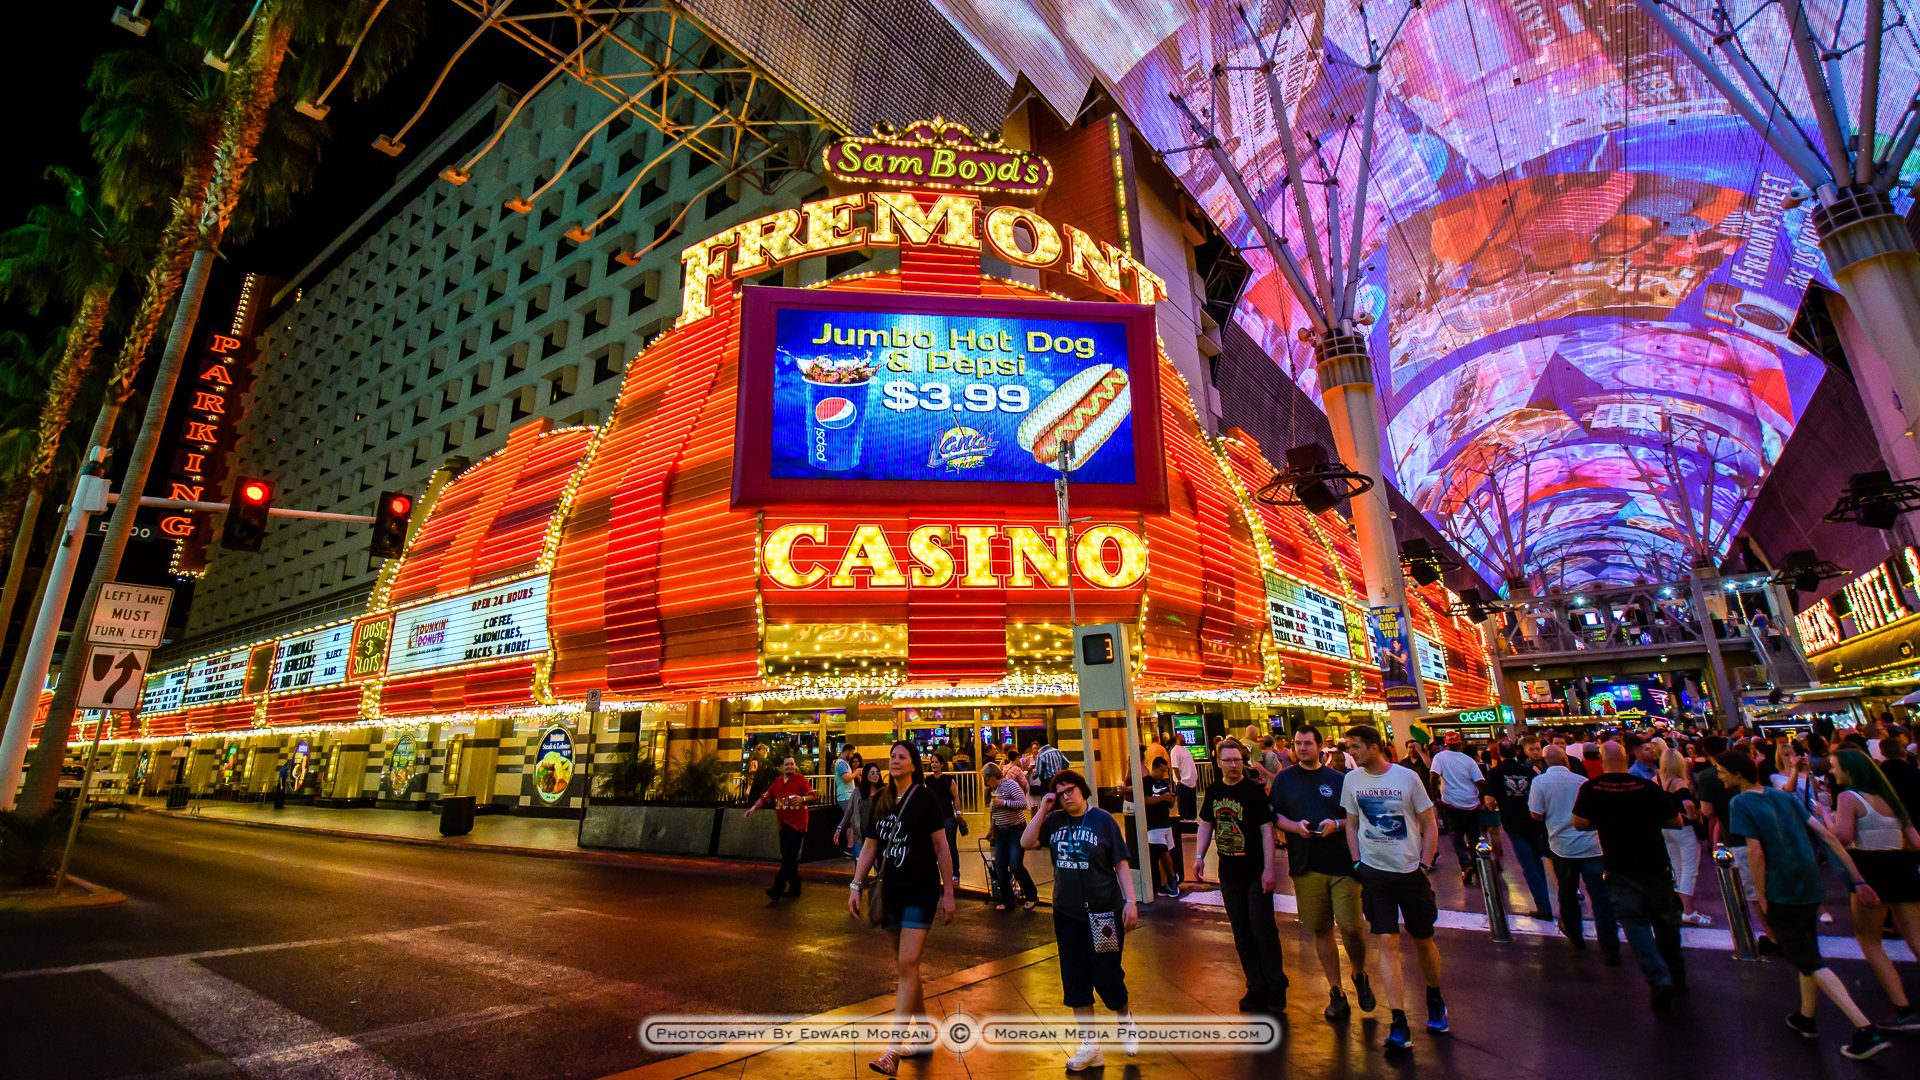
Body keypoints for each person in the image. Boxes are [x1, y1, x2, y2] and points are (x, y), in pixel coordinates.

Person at [1716, 749, 1891, 1060]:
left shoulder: (1739, 803)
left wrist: (1762, 895)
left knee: (1809, 960)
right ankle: (1805, 1017)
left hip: (1781, 886)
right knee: (1806, 950)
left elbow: (1755, 853)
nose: (1719, 776)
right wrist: (1858, 879)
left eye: (1722, 771)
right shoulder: (1783, 797)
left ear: (1737, 774)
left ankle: (1865, 1028)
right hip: (1809, 882)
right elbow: (1827, 835)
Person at [848, 741, 957, 1077]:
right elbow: (870, 845)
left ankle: (892, 1050)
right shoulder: (880, 800)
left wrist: (949, 893)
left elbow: (941, 847)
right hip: (891, 891)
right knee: (907, 966)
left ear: (913, 765)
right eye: (892, 757)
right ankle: (924, 1036)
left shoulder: (924, 799)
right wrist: (855, 884)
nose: (895, 762)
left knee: (908, 963)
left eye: (902, 757)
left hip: (920, 890)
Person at [1025, 768, 1139, 1070]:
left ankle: (1125, 1018)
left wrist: (1130, 901)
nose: (1066, 797)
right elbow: (1026, 842)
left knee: (1107, 976)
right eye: (1060, 793)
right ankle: (1091, 1045)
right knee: (1074, 979)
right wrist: (1042, 809)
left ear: (1082, 789)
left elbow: (1121, 863)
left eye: (1070, 790)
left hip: (1103, 913)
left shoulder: (1103, 821)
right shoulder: (1055, 821)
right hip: (1067, 913)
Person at [1340, 724, 1445, 1053]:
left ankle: (1435, 997)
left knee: (1424, 941)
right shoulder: (1351, 780)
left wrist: (1425, 864)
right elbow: (1352, 822)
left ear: (1374, 747)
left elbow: (1429, 822)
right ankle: (1398, 1018)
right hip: (1375, 874)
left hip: (1411, 871)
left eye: (1355, 747)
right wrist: (1358, 861)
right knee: (1386, 942)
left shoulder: (1406, 777)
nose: (1351, 753)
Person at [1570, 742, 1688, 1011]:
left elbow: (1579, 823)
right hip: (1655, 863)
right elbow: (1675, 822)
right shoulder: (1646, 787)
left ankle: (1658, 979)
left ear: (1601, 760)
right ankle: (1678, 977)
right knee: (1666, 923)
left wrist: (1604, 819)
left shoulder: (1592, 788)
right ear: (1625, 758)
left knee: (1635, 924)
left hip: (1618, 866)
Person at [1271, 725, 1374, 1023]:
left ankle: (1359, 973)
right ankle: (1336, 992)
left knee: (1352, 927)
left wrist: (1337, 825)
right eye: (1297, 743)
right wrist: (1295, 828)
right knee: (1321, 929)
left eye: (1307, 743)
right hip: (1305, 865)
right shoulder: (1283, 780)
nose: (1302, 748)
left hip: (1342, 864)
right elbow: (1275, 815)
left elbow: (1354, 818)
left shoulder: (1339, 780)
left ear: (1320, 747)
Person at [1824, 748, 1920, 1029]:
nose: (1831, 772)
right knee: (1916, 936)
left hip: (1870, 869)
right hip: (1901, 868)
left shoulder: (1848, 797)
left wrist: (1824, 817)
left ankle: (1902, 1009)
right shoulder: (1890, 798)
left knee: (1869, 940)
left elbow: (1843, 836)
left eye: (1835, 766)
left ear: (1850, 770)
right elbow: (1915, 841)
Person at [1194, 738, 1288, 1012]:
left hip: (1255, 872)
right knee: (1241, 932)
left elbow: (1267, 830)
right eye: (1228, 760)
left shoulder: (1253, 791)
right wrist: (1199, 857)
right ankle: (1255, 985)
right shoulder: (1213, 790)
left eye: (1237, 760)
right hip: (1229, 872)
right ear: (1219, 763)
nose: (1233, 765)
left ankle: (1276, 985)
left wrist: (1270, 869)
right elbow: (1206, 824)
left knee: (1263, 929)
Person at [1530, 744, 1621, 958]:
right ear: (1566, 761)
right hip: (1590, 845)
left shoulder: (1540, 782)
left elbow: (1536, 814)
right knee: (1600, 895)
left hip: (1562, 847)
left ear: (1545, 762)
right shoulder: (1582, 782)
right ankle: (1610, 946)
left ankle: (1575, 936)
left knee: (1567, 892)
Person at [1488, 739, 1555, 919]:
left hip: (1513, 823)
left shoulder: (1495, 773)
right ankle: (1545, 902)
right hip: (1533, 822)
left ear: (1499, 754)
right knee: (1537, 862)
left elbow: (1489, 801)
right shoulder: (1528, 771)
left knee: (1528, 866)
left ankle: (1544, 907)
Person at [746, 755, 817, 901]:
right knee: (788, 857)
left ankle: (777, 889)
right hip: (782, 824)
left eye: (792, 764)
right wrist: (753, 808)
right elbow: (765, 797)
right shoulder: (778, 781)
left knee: (788, 858)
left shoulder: (800, 780)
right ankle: (796, 886)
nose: (790, 766)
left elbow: (813, 796)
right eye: (787, 764)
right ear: (782, 767)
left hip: (797, 825)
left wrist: (802, 799)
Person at [1657, 746, 1711, 926]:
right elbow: (1687, 803)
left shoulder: (1655, 779)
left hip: (1665, 827)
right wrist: (1692, 816)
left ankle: (1681, 907)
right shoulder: (1679, 782)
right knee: (1689, 869)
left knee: (1676, 867)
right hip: (1684, 828)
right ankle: (1688, 910)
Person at [1429, 736, 1490, 884]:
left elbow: (1433, 777)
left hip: (1452, 805)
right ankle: (1476, 864)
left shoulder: (1440, 757)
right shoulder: (1468, 760)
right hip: (1471, 804)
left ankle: (1465, 864)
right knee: (1474, 836)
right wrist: (1481, 801)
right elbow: (1481, 782)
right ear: (1460, 744)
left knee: (1457, 837)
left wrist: (1436, 798)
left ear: (1446, 744)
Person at [985, 761, 1039, 911]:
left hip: (1016, 830)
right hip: (1001, 832)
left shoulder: (1010, 785)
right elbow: (994, 813)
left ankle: (1031, 895)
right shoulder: (993, 791)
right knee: (1000, 866)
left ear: (992, 777)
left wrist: (1003, 802)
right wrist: (992, 829)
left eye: (987, 780)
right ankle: (1008, 899)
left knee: (1015, 865)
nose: (987, 783)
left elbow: (1022, 804)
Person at [1143, 757, 1180, 897]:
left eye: (1166, 770)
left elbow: (1170, 804)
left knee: (1167, 852)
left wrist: (1171, 799)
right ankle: (1171, 878)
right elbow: (1146, 800)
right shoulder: (1146, 782)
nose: (1164, 773)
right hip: (1153, 824)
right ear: (1155, 767)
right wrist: (1163, 797)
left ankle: (1165, 882)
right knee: (1163, 852)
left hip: (1166, 823)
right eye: (1162, 770)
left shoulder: (1165, 782)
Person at [925, 753, 961, 881]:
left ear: (942, 764)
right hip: (933, 818)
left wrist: (958, 813)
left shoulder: (948, 780)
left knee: (950, 845)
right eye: (932, 762)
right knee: (933, 846)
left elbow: (955, 797)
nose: (933, 764)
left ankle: (955, 872)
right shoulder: (928, 781)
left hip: (948, 817)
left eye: (936, 762)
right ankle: (934, 873)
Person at [836, 761, 882, 859]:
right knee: (859, 866)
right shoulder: (858, 791)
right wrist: (840, 828)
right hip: (861, 836)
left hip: (878, 837)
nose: (875, 775)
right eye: (872, 773)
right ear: (866, 775)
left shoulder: (883, 792)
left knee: (879, 868)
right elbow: (849, 812)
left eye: (877, 773)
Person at [834, 748, 860, 855]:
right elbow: (846, 778)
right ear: (847, 751)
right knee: (853, 820)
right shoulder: (841, 764)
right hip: (845, 796)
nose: (852, 756)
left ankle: (850, 847)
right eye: (851, 753)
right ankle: (850, 847)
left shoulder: (844, 763)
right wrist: (856, 773)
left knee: (851, 821)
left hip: (846, 795)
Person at [1168, 731, 1199, 821]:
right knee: (1184, 805)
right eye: (1181, 737)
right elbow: (1175, 767)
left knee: (1191, 804)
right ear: (1176, 739)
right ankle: (1185, 822)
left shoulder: (1185, 749)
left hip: (1191, 782)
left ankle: (1192, 820)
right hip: (1183, 782)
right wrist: (1179, 779)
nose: (1183, 739)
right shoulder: (1175, 750)